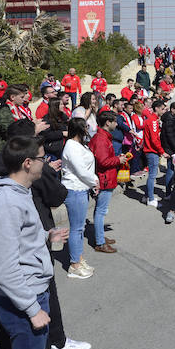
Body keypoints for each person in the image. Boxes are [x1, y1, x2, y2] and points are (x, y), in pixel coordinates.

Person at [0, 136, 59, 349]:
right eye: (41, 158)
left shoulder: (20, 193)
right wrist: (33, 310)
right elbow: (5, 269)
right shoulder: (7, 203)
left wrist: (45, 236)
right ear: (27, 163)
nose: (44, 163)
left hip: (30, 294)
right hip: (25, 300)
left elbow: (19, 239)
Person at [61, 118, 97, 279]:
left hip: (82, 188)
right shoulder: (71, 146)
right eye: (86, 127)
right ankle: (74, 265)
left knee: (80, 227)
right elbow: (81, 171)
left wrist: (92, 181)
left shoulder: (80, 145)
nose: (88, 129)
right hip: (75, 189)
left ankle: (79, 258)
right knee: (76, 228)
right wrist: (95, 181)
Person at [90, 111, 125, 253]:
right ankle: (100, 242)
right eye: (115, 121)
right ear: (107, 123)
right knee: (101, 211)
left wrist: (117, 158)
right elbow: (103, 161)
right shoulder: (101, 139)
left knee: (100, 210)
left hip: (106, 177)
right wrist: (118, 160)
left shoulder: (103, 137)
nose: (117, 124)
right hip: (104, 178)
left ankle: (100, 237)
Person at [0, 85, 33, 153]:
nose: (24, 99)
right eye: (21, 97)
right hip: (4, 150)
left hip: (15, 147)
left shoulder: (17, 109)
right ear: (12, 97)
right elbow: (11, 130)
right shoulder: (5, 110)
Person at [142, 100, 166, 207]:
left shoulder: (153, 120)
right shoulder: (153, 121)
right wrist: (162, 151)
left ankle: (147, 196)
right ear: (156, 108)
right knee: (152, 175)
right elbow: (154, 139)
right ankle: (150, 199)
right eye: (162, 109)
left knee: (151, 175)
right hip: (152, 151)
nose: (163, 111)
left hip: (151, 150)